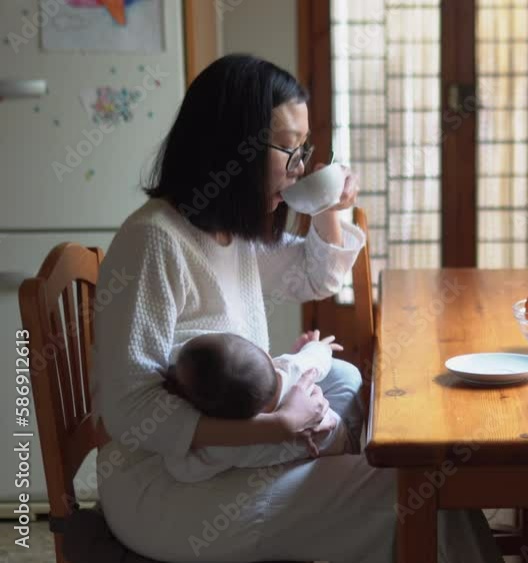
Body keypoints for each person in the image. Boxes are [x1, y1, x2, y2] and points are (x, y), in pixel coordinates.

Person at [92, 54, 502, 562]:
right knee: (414, 489)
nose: (300, 167)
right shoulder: (155, 240)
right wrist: (277, 426)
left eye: (303, 148)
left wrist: (330, 207)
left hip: (222, 455)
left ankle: (338, 501)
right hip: (166, 488)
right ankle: (360, 508)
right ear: (229, 146)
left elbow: (316, 277)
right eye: (287, 148)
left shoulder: (226, 229)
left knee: (345, 381)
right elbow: (131, 412)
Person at [160, 330, 356, 484]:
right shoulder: (292, 368)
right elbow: (318, 358)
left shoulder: (224, 445)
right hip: (338, 435)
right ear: (268, 355)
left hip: (316, 459)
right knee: (349, 376)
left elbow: (181, 469)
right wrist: (317, 346)